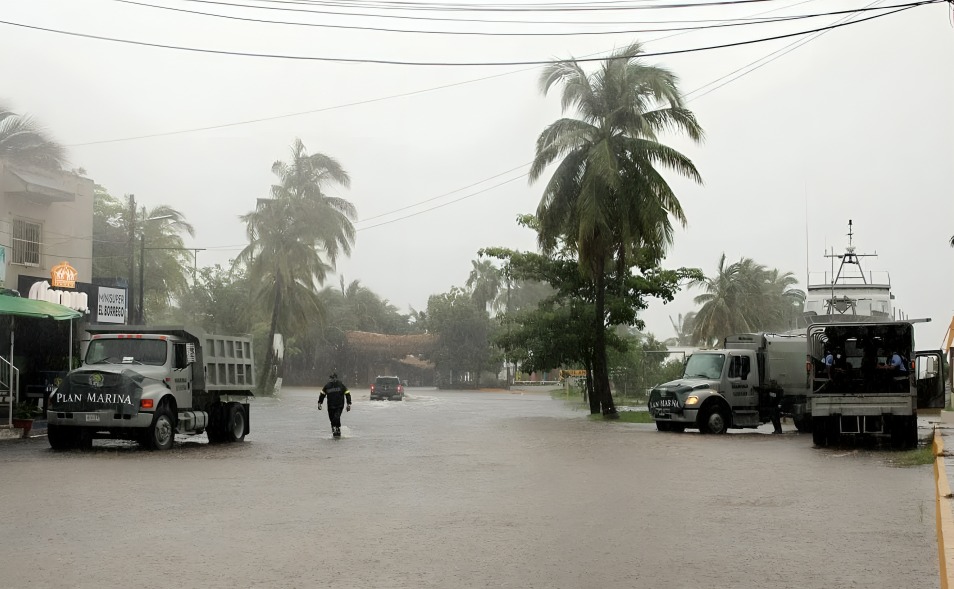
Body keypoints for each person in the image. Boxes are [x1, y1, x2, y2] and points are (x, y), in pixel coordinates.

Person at [318, 372, 352, 437]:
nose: (331, 380)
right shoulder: (327, 386)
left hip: (339, 406)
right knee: (332, 420)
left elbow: (347, 393)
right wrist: (320, 403)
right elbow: (322, 394)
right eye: (330, 378)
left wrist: (349, 404)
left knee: (336, 417)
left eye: (332, 378)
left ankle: (338, 430)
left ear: (336, 378)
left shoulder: (341, 385)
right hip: (330, 406)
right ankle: (335, 433)